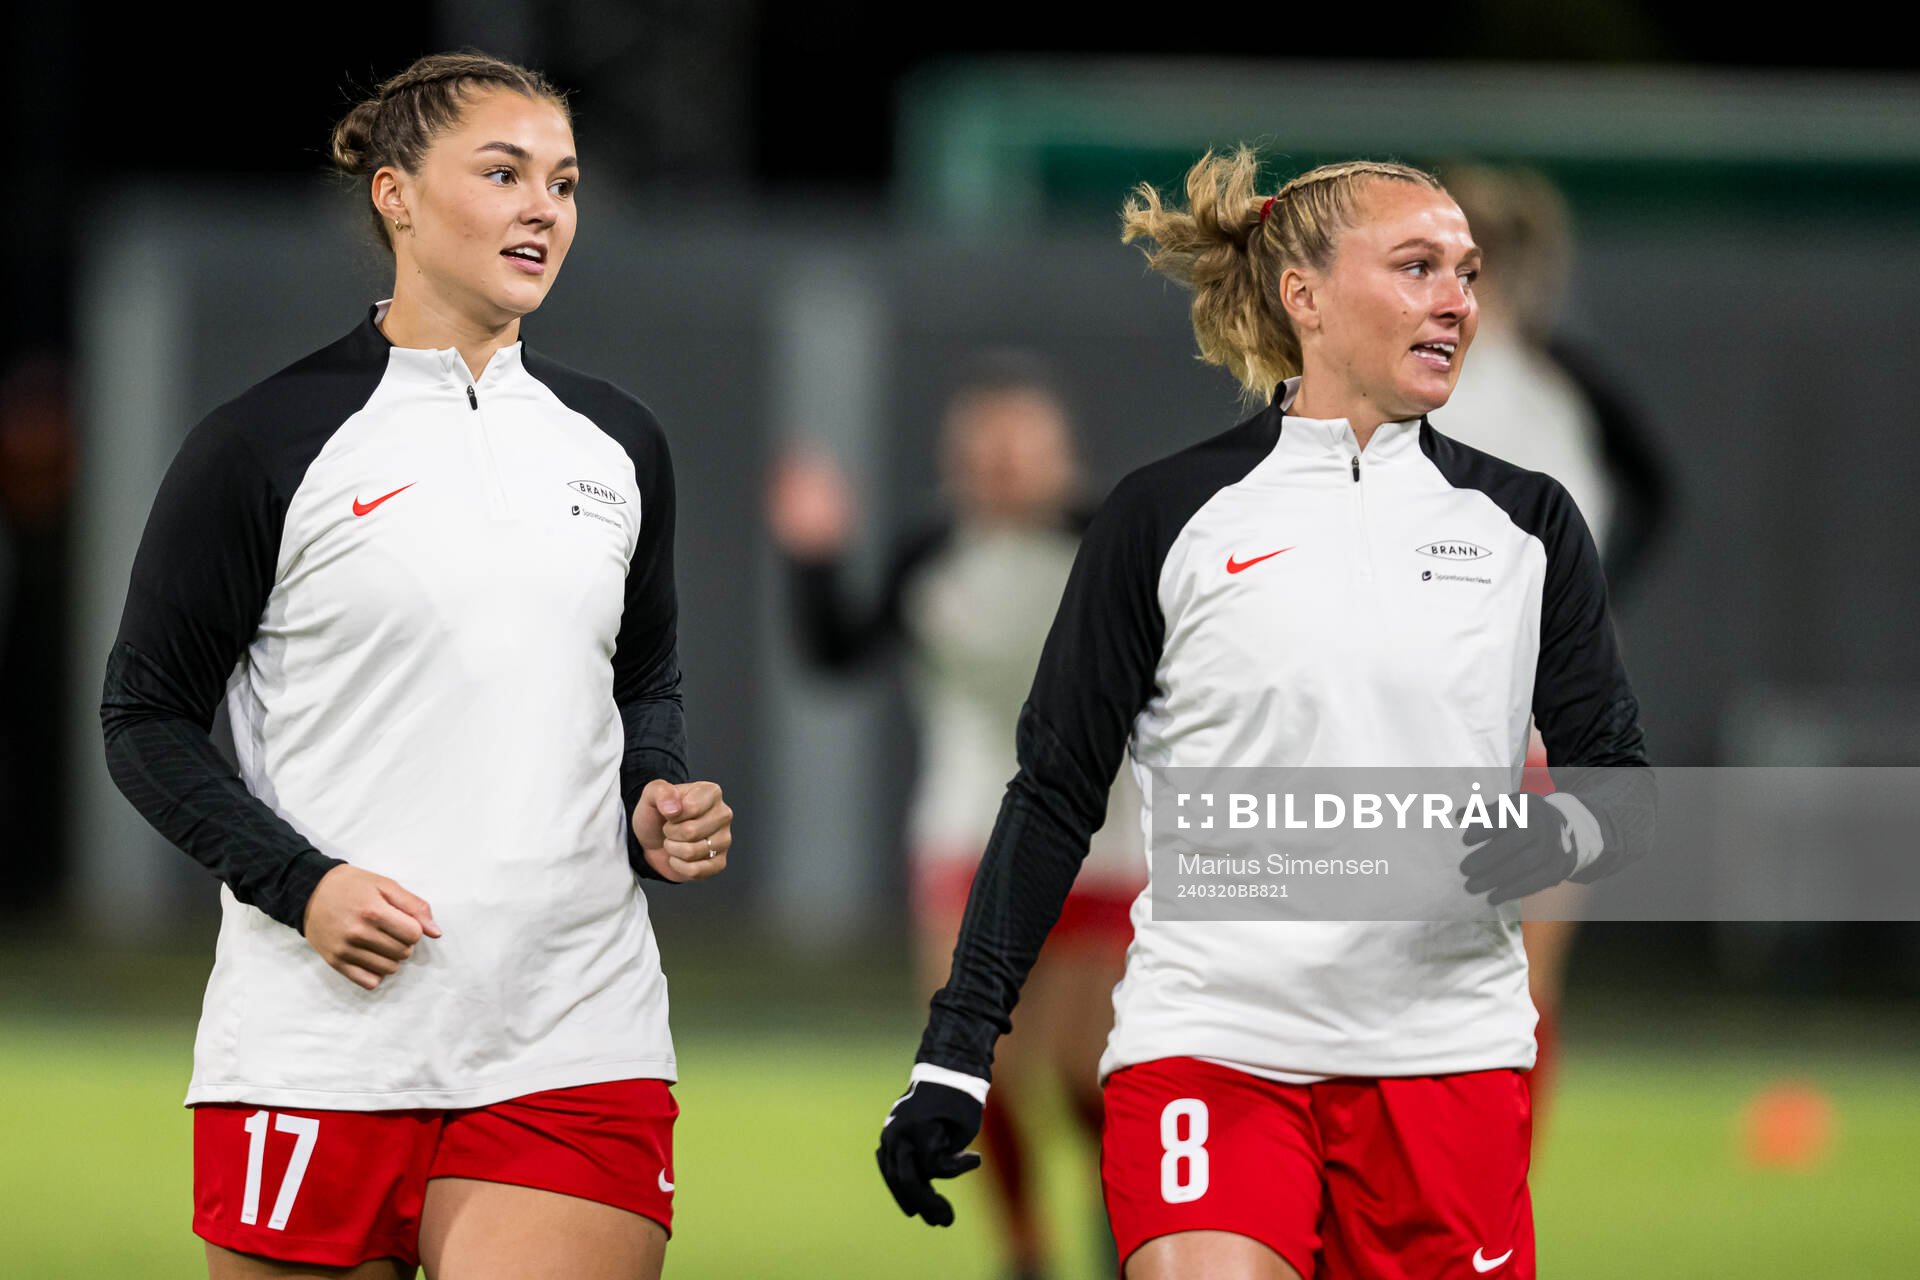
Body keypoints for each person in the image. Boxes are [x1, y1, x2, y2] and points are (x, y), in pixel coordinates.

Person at [876, 149, 1651, 1280]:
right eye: (1418, 265)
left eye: (1467, 273)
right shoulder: (1162, 516)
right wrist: (957, 1050)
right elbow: (1052, 790)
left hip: (1448, 1064)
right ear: (1305, 296)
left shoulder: (1529, 523)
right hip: (1213, 1048)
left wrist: (1553, 836)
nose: (1458, 299)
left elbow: (1615, 780)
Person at [99, 52, 732, 1280]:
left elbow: (642, 677)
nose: (543, 206)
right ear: (395, 194)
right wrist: (303, 883)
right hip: (317, 1039)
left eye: (563, 181)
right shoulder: (262, 442)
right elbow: (144, 715)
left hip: (571, 1032)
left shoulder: (617, 443)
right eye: (503, 173)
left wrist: (656, 786)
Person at [769, 354, 1144, 1279]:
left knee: (1085, 1068)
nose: (1003, 466)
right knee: (986, 1069)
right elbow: (834, 655)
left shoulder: (1110, 546)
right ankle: (1024, 1249)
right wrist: (813, 555)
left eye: (1022, 446)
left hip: (1107, 838)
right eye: (985, 448)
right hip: (967, 831)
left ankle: (1121, 1212)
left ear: (1061, 453)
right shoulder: (931, 552)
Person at [1438, 164, 1672, 1135]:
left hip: (1537, 729)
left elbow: (1656, 493)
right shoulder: (1414, 374)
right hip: (1428, 729)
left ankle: (1488, 1215)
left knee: (1519, 998)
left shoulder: (1558, 384)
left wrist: (1582, 613)